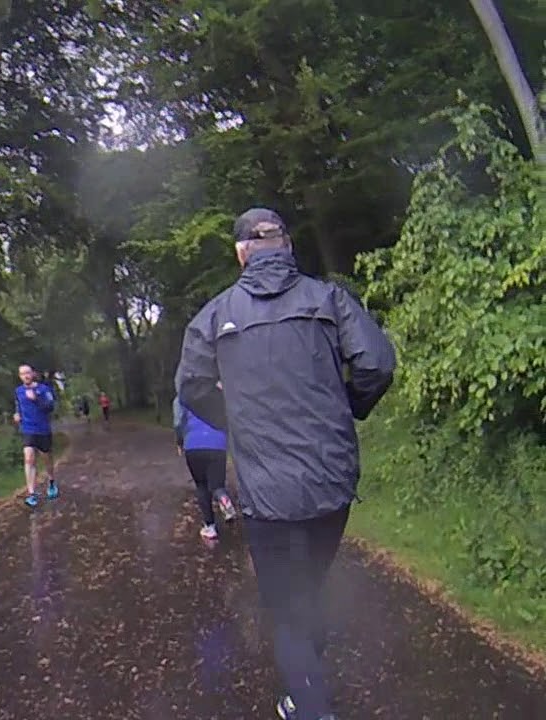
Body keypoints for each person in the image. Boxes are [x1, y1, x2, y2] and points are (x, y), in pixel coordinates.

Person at [175, 208, 396, 720]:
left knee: (288, 610)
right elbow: (378, 363)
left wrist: (232, 418)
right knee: (309, 590)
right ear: (288, 246)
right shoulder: (329, 299)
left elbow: (190, 387)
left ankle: (310, 706)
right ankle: (305, 689)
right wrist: (349, 405)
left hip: (268, 493)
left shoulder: (214, 316)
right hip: (331, 485)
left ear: (241, 253)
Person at [172, 393, 237, 540]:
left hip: (193, 445)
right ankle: (223, 498)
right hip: (217, 444)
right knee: (217, 485)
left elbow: (178, 423)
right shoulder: (218, 394)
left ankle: (210, 527)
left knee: (201, 485)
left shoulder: (184, 396)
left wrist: (180, 442)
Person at [13, 364, 58, 507]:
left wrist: (36, 399)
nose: (25, 376)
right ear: (20, 376)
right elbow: (18, 405)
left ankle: (51, 481)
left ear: (33, 374)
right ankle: (32, 493)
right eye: (22, 374)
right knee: (29, 458)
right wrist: (17, 414)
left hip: (43, 429)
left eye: (27, 373)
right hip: (28, 429)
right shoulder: (18, 391)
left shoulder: (44, 389)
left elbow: (50, 407)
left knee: (46, 458)